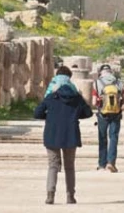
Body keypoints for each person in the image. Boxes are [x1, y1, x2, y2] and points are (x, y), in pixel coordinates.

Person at [35, 65, 93, 205]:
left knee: (53, 166)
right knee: (69, 166)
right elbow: (88, 113)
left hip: (52, 133)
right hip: (70, 134)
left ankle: (50, 194)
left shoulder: (51, 96)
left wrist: (50, 116)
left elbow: (37, 113)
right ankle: (70, 195)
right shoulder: (76, 97)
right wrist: (75, 114)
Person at [92, 64, 124, 173]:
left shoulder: (97, 83)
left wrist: (100, 102)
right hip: (116, 114)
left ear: (101, 72)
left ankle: (102, 164)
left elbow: (93, 102)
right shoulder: (119, 82)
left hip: (102, 114)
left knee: (102, 138)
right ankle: (111, 163)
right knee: (113, 138)